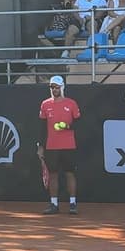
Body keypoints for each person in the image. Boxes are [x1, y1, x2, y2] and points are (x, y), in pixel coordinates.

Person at [37, 76, 81, 215]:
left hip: (69, 145)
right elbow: (42, 127)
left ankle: (73, 204)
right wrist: (40, 146)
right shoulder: (45, 104)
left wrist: (67, 126)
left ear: (62, 87)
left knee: (70, 174)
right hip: (51, 146)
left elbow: (80, 124)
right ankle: (54, 204)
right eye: (52, 87)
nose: (54, 90)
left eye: (57, 87)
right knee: (53, 175)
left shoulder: (72, 103)